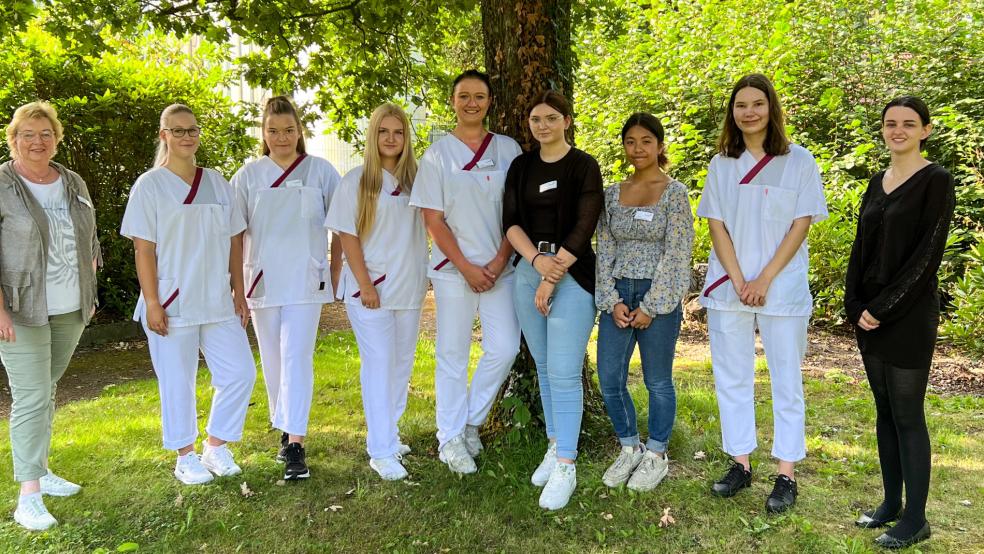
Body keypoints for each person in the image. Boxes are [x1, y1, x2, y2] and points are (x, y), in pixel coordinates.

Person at [697, 73, 827, 513]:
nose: (749, 112)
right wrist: (738, 279)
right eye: (740, 105)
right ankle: (740, 463)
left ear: (771, 108)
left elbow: (801, 224)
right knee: (731, 375)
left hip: (781, 287)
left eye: (757, 103)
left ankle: (786, 473)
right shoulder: (721, 164)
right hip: (730, 284)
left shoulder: (799, 161)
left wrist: (765, 279)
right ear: (732, 114)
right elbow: (716, 223)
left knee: (785, 380)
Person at [120, 104, 256, 486]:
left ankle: (216, 444)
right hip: (171, 300)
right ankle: (185, 455)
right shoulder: (150, 185)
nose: (186, 136)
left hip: (216, 300)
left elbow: (234, 241)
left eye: (192, 130)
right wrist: (152, 302)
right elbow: (143, 249)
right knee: (176, 380)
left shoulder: (216, 181)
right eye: (177, 130)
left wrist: (239, 291)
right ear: (164, 135)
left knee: (240, 372)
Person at [845, 96, 954, 549]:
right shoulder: (877, 181)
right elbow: (861, 246)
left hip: (907, 316)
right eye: (891, 124)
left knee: (908, 415)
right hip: (869, 316)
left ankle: (916, 518)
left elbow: (927, 256)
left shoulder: (936, 181)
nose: (899, 131)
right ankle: (890, 504)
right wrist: (854, 305)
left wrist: (883, 308)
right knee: (884, 410)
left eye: (909, 124)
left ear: (925, 130)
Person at [409, 69, 523, 474]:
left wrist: (495, 262)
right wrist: (467, 267)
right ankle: (450, 438)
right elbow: (433, 219)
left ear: (490, 101)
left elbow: (518, 212)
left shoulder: (509, 150)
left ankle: (471, 421)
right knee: (452, 355)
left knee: (505, 347)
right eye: (463, 96)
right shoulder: (437, 155)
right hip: (452, 271)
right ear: (453, 102)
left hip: (500, 269)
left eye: (479, 96)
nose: (471, 102)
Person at [0, 101, 101, 531]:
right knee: (32, 396)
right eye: (28, 134)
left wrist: (91, 283)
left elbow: (90, 234)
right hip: (20, 309)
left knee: (47, 389)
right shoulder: (2, 184)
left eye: (46, 134)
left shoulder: (72, 180)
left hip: (70, 306)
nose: (37, 142)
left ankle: (40, 469)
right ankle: (28, 495)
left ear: (57, 138)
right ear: (13, 139)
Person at [231, 96, 341, 481]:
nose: (281, 137)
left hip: (307, 281)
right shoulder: (247, 176)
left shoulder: (321, 171)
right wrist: (237, 286)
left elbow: (342, 224)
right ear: (263, 133)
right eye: (273, 130)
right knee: (273, 360)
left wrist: (336, 271)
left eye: (289, 130)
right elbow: (235, 232)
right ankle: (284, 425)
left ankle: (296, 442)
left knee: (297, 357)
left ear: (300, 132)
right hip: (261, 280)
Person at [503, 90, 603, 510]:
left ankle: (567, 464)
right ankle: (553, 443)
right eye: (535, 119)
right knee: (543, 366)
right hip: (528, 271)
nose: (542, 126)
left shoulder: (583, 166)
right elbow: (510, 222)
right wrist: (536, 262)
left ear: (566, 120)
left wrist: (553, 272)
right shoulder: (521, 166)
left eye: (550, 118)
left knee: (563, 371)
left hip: (573, 275)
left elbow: (585, 225)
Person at [325, 103, 427, 481]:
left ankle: (390, 433)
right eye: (384, 132)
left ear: (406, 138)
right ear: (373, 135)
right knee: (379, 364)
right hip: (371, 292)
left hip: (408, 287)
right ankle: (380, 450)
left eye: (398, 132)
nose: (391, 139)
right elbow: (346, 235)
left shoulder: (417, 180)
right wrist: (365, 283)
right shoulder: (356, 180)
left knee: (400, 366)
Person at [595, 112, 693, 492]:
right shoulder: (612, 193)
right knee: (610, 379)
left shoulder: (675, 193)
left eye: (646, 142)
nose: (638, 149)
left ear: (660, 145)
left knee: (657, 381)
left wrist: (653, 305)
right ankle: (628, 446)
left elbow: (678, 250)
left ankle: (656, 454)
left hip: (659, 298)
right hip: (619, 294)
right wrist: (610, 299)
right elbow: (604, 247)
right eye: (631, 142)